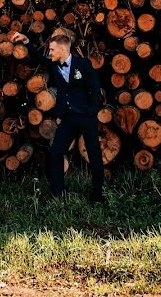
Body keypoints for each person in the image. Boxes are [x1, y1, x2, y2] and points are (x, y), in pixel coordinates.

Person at [9, 30, 106, 203]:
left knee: (94, 154)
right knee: (55, 152)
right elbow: (39, 58)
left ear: (62, 50)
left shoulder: (83, 64)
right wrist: (26, 40)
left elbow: (95, 87)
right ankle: (58, 193)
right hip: (67, 118)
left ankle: (98, 195)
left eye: (52, 50)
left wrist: (91, 111)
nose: (50, 53)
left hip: (86, 117)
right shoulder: (54, 65)